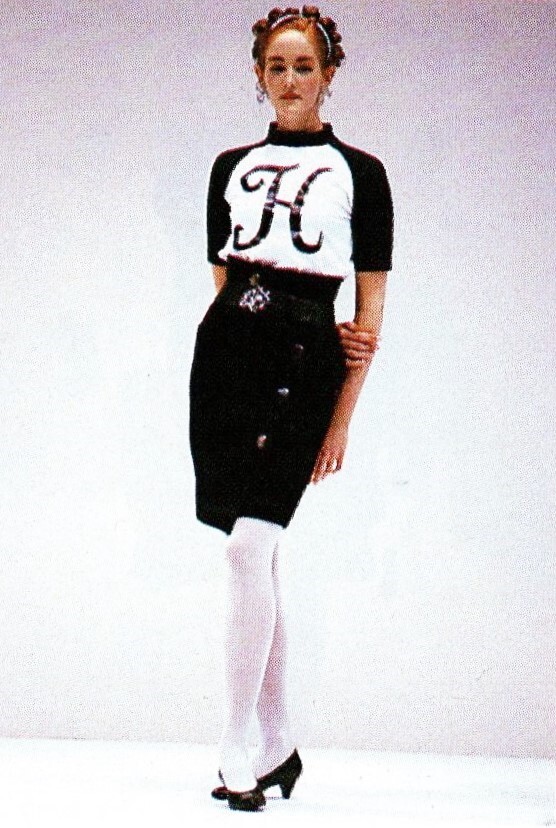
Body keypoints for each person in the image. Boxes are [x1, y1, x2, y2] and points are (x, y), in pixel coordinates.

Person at [189, 5, 393, 812]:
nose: (289, 80)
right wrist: (239, 344)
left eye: (304, 65)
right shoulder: (229, 166)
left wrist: (340, 417)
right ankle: (278, 744)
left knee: (251, 547)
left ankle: (235, 741)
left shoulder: (362, 174)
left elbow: (368, 315)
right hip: (226, 359)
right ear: (258, 75)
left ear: (329, 74)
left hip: (307, 362)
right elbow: (225, 278)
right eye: (276, 66)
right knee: (253, 554)